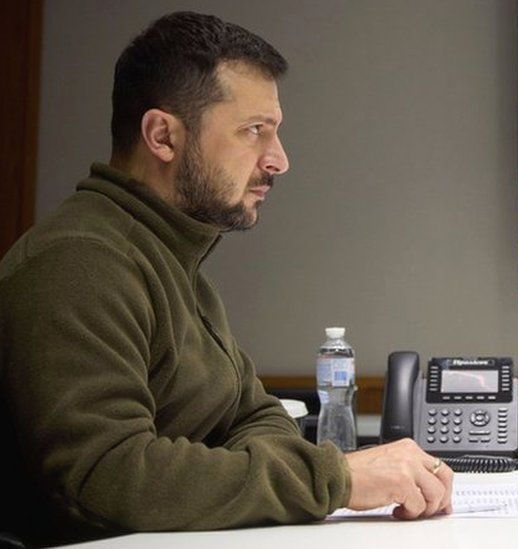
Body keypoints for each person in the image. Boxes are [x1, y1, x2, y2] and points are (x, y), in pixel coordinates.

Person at [0, 11, 452, 547]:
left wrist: (266, 470)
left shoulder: (173, 258)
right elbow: (111, 476)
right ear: (162, 136)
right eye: (253, 132)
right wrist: (338, 478)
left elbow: (257, 415)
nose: (279, 160)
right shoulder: (80, 262)